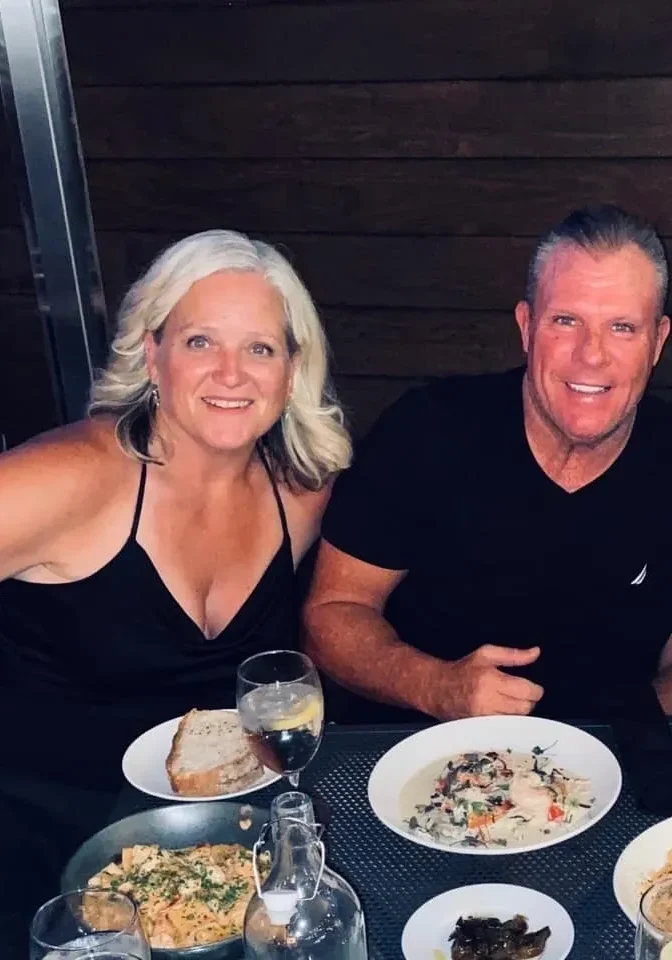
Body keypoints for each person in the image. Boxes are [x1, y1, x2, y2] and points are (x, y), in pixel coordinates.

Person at [0, 229, 351, 947]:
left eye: (260, 348)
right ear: (151, 353)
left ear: (292, 372)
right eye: (199, 342)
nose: (232, 373)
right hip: (37, 869)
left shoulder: (302, 495)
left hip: (206, 871)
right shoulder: (71, 479)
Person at [303, 204, 672, 724]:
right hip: (420, 760)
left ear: (657, 342)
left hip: (618, 770)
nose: (592, 355)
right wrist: (435, 686)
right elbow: (332, 612)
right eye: (565, 321)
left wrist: (623, 733)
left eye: (623, 328)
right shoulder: (427, 430)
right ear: (526, 326)